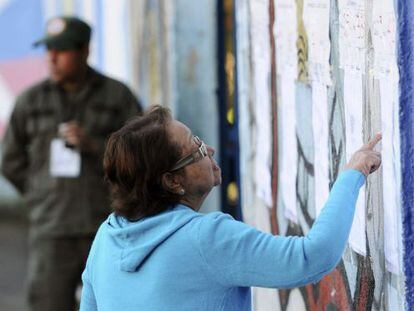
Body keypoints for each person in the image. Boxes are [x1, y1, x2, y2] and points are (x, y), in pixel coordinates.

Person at [80, 106, 381, 311]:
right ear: (172, 181)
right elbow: (311, 258)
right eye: (195, 148)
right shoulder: (206, 238)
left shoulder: (107, 237)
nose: (208, 149)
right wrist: (352, 174)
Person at [1, 16, 142, 311]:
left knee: (115, 303)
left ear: (85, 51)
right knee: (48, 304)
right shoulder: (31, 101)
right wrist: (40, 195)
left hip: (107, 224)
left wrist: (96, 146)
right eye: (48, 49)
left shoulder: (117, 96)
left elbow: (143, 156)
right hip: (52, 229)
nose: (51, 58)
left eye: (61, 50)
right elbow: (10, 160)